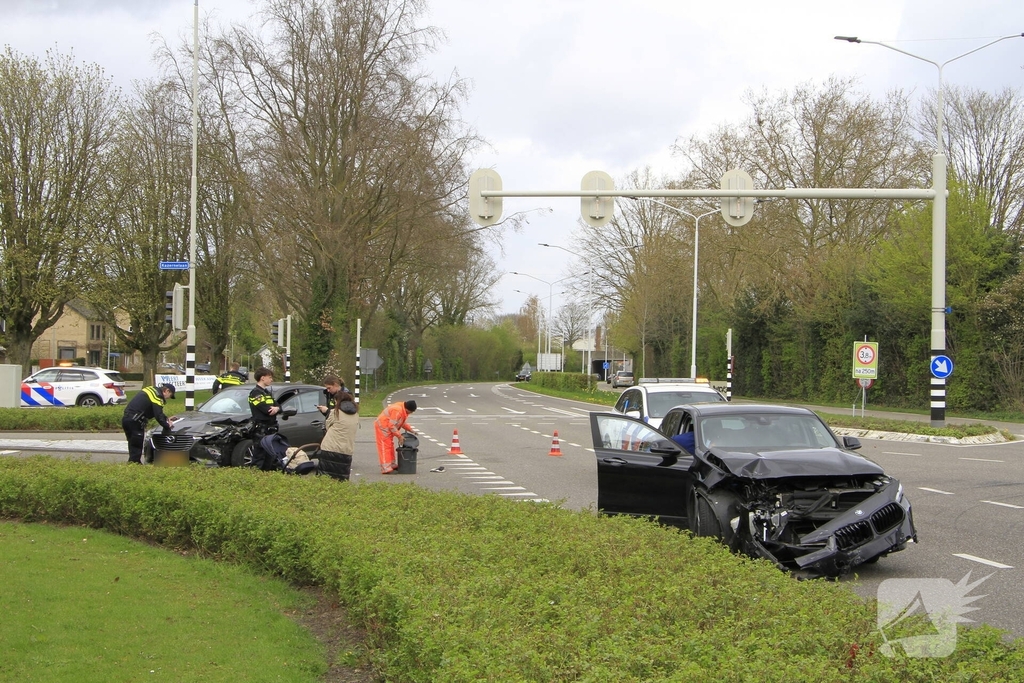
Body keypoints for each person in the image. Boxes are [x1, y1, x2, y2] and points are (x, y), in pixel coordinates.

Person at [317, 375, 359, 481]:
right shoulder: (355, 413)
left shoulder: (337, 409)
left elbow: (329, 423)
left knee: (325, 478)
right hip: (346, 450)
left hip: (331, 447)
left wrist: (327, 411)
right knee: (341, 478)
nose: (328, 390)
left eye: (329, 388)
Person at [122, 383, 176, 464]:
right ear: (167, 391)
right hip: (135, 422)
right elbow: (158, 415)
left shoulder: (151, 390)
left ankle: (132, 464)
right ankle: (134, 466)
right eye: (170, 395)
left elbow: (154, 411)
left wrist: (166, 418)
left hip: (127, 419)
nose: (168, 398)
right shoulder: (158, 396)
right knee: (137, 446)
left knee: (132, 445)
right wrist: (168, 425)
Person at [247, 367, 281, 469]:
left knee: (270, 457)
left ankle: (266, 478)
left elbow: (279, 406)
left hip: (271, 429)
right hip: (261, 429)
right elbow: (266, 410)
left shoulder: (267, 393)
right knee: (259, 456)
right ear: (262, 378)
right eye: (269, 377)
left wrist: (277, 409)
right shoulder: (255, 393)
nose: (271, 380)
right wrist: (275, 409)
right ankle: (256, 478)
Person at [374, 399, 416, 474]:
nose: (411, 413)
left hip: (386, 427)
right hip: (383, 427)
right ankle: (385, 467)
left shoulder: (402, 409)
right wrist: (399, 436)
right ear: (407, 409)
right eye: (411, 412)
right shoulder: (398, 411)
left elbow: (401, 422)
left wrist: (411, 430)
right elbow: (391, 425)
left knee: (390, 445)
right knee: (384, 446)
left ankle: (391, 464)